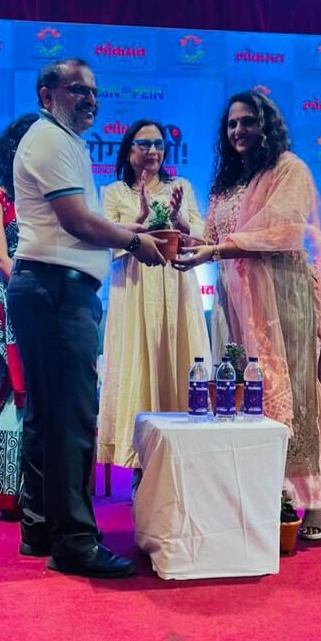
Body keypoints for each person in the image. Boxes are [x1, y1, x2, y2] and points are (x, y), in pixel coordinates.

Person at [7, 58, 166, 579]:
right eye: (78, 90)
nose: (91, 100)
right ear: (46, 94)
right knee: (71, 419)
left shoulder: (64, 141)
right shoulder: (51, 140)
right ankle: (74, 541)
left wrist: (130, 233)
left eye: (94, 92)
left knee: (48, 416)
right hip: (55, 291)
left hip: (51, 289)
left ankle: (40, 528)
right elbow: (76, 222)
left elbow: (79, 224)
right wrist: (135, 243)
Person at [174, 90, 321, 540]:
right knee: (243, 394)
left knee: (292, 391)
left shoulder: (289, 169)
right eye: (232, 124)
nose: (239, 130)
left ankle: (313, 500)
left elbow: (282, 232)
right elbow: (211, 238)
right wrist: (182, 231)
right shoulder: (228, 181)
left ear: (267, 125)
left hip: (282, 296)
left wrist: (216, 249)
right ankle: (260, 497)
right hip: (235, 301)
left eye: (248, 121)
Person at [97, 119, 211, 477]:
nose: (152, 151)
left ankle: (184, 463)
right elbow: (106, 241)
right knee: (139, 367)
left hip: (176, 289)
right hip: (133, 290)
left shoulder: (182, 187)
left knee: (178, 363)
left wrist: (180, 220)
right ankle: (141, 467)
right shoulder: (113, 192)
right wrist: (141, 219)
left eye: (159, 144)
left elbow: (202, 236)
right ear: (128, 150)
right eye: (144, 144)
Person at [0, 113, 39, 519]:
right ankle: (9, 494)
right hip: (7, 304)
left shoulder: (47, 195)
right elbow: (0, 257)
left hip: (41, 305)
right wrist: (30, 289)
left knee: (40, 397)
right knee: (9, 397)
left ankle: (38, 489)